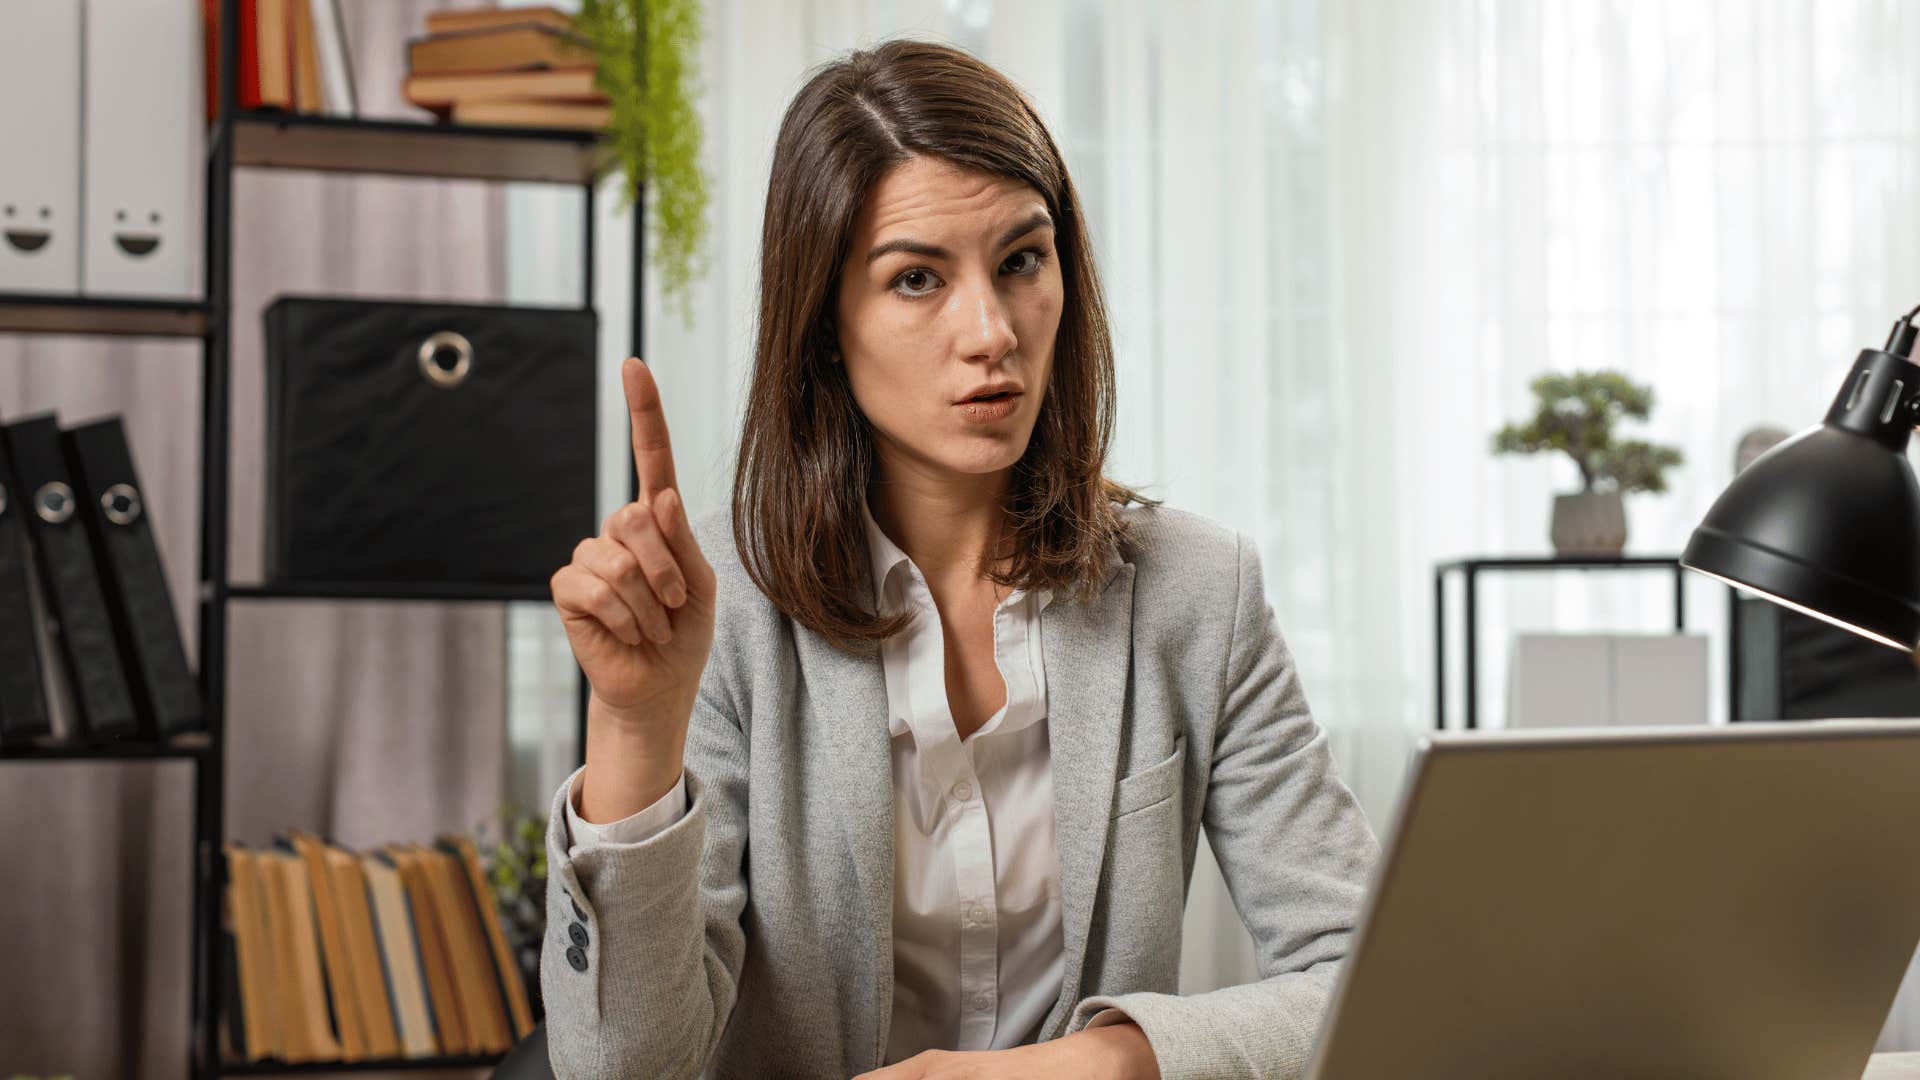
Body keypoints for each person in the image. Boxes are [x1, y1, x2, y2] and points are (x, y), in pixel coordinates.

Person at [541, 37, 1379, 1080]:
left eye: (1022, 261)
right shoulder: (719, 613)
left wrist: (1104, 1063)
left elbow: (1367, 984)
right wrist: (635, 726)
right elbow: (625, 1069)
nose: (991, 332)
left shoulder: (1199, 592)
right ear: (823, 327)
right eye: (917, 279)